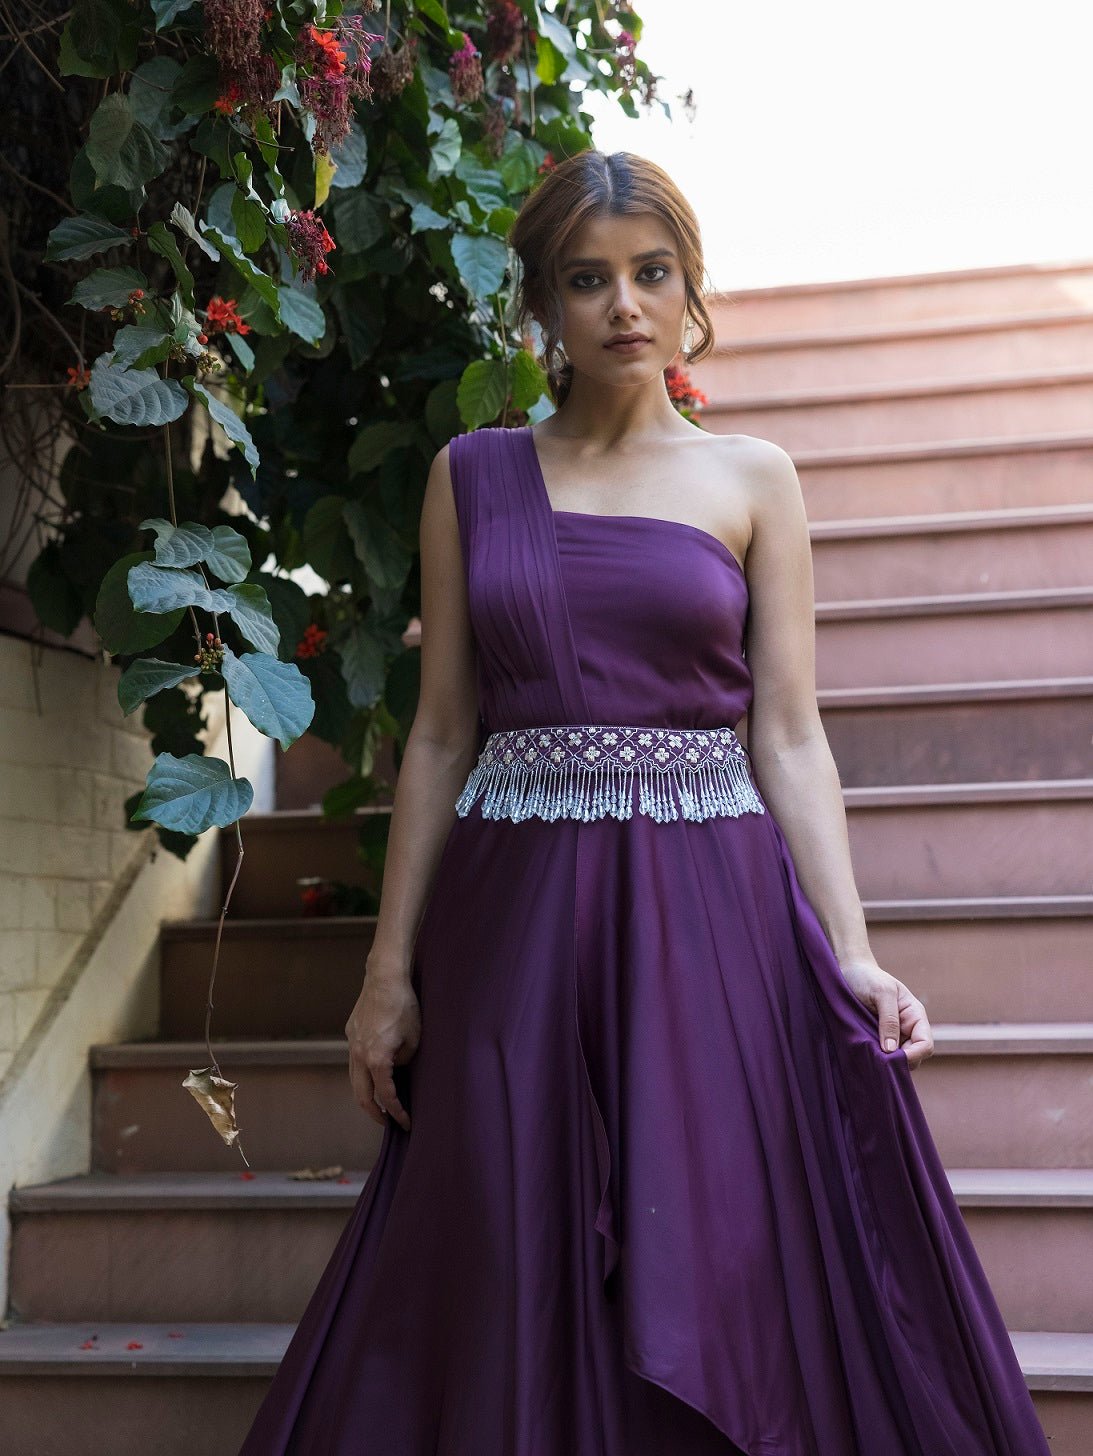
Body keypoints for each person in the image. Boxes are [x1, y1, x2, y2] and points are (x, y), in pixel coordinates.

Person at [238, 150, 1051, 1455]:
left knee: (713, 1238)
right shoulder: (471, 475)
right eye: (588, 279)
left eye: (651, 273)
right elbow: (440, 732)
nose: (624, 304)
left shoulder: (754, 478)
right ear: (542, 305)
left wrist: (851, 950)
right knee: (506, 1230)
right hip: (513, 920)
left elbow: (788, 733)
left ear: (688, 289)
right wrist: (387, 974)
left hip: (707, 918)